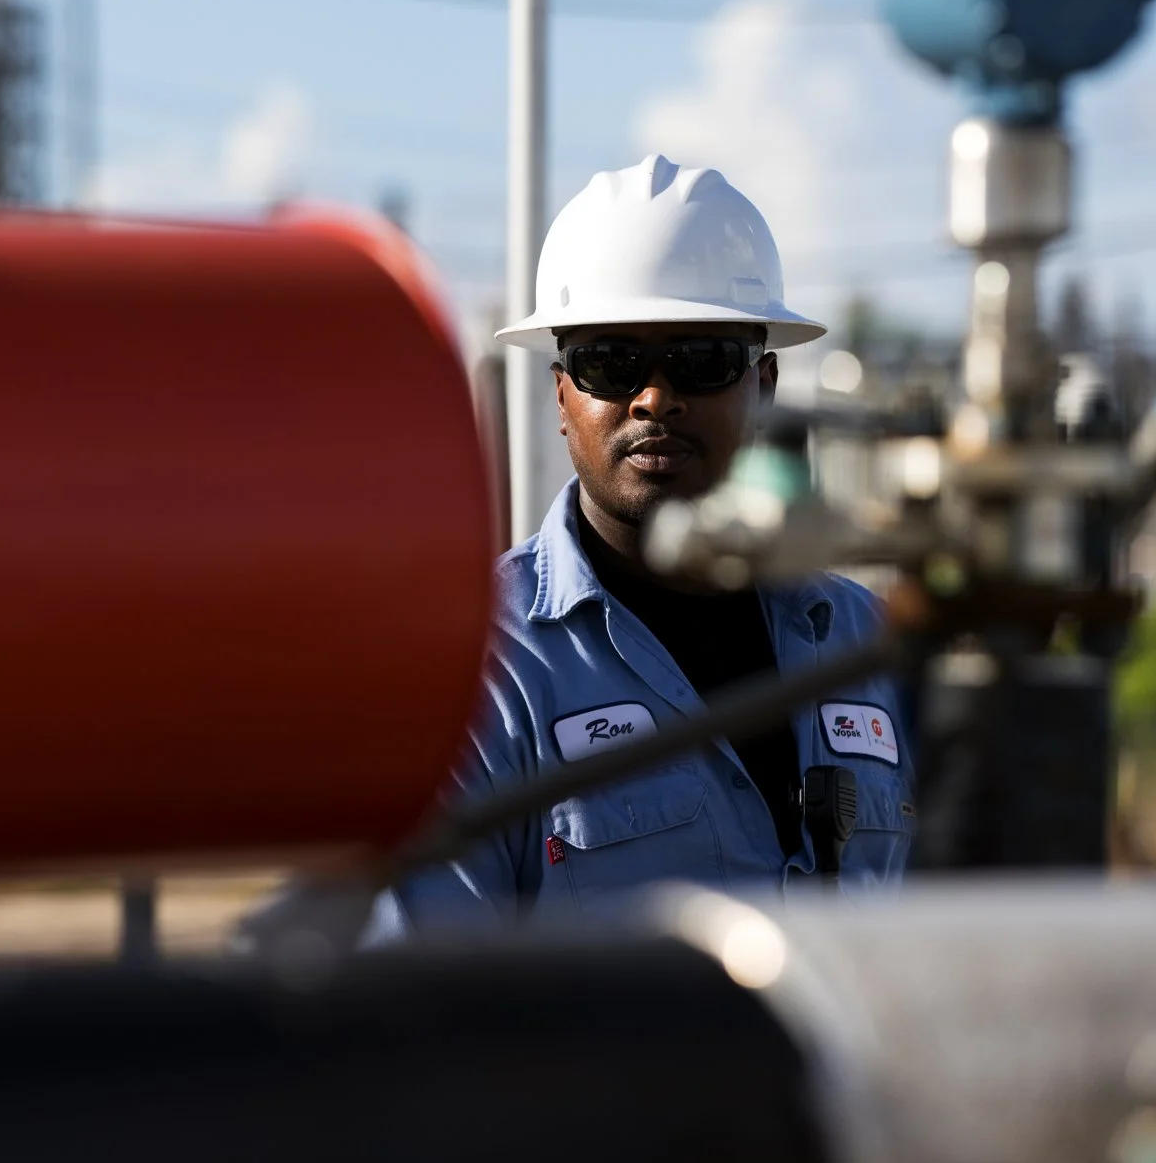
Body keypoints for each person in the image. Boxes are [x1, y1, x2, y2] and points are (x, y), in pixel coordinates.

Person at [370, 155, 913, 938]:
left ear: (762, 389)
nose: (655, 397)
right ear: (562, 395)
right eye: (611, 362)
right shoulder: (476, 670)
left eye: (701, 360)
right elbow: (426, 1004)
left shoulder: (865, 644)